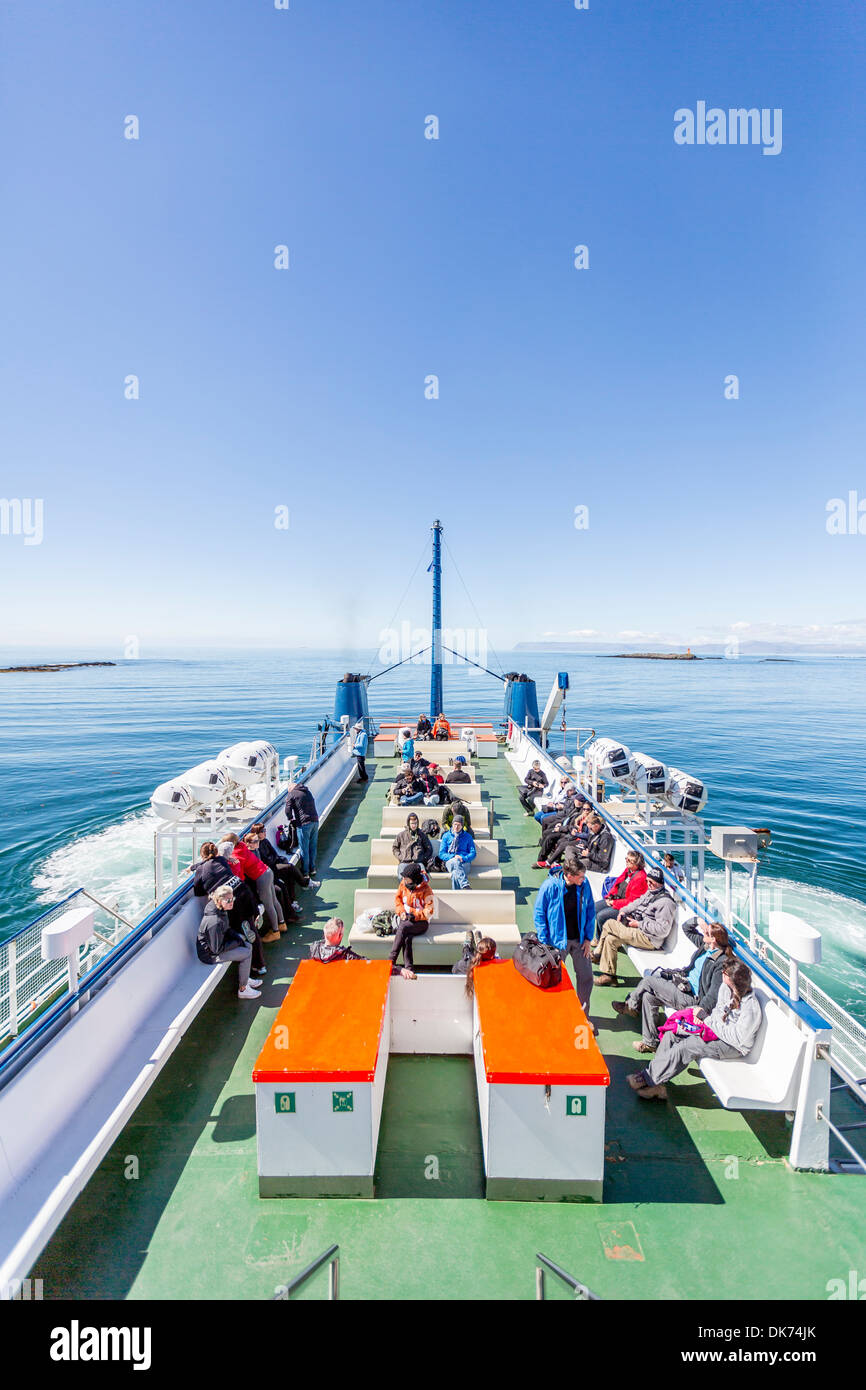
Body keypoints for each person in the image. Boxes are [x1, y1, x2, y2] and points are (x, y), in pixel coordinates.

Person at [628, 961, 762, 1101]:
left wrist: (708, 1021)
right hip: (714, 1030)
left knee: (686, 1047)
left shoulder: (750, 1007)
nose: (722, 974)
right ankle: (657, 1082)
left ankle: (648, 1078)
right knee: (672, 1034)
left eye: (725, 973)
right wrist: (708, 1022)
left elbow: (737, 1038)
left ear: (732, 979)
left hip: (733, 1046)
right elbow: (717, 1012)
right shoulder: (725, 988)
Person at [614, 919, 734, 1051]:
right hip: (682, 984)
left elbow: (713, 994)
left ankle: (630, 1006)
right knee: (649, 997)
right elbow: (686, 928)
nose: (703, 932)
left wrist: (701, 1009)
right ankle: (650, 1043)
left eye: (707, 932)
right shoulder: (705, 947)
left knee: (649, 981)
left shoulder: (720, 962)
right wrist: (697, 920)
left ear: (713, 940)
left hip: (691, 997)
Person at [593, 865, 678, 985]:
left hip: (649, 938)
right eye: (647, 881)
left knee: (610, 924)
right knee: (610, 939)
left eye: (652, 882)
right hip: (639, 930)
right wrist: (623, 911)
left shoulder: (666, 903)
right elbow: (637, 903)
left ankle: (597, 953)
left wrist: (638, 924)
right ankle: (609, 976)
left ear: (659, 883)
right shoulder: (651, 892)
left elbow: (663, 930)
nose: (649, 884)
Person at [533, 852, 596, 1014]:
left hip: (580, 940)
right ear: (569, 875)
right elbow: (540, 914)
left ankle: (582, 1014)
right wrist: (544, 941)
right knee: (554, 978)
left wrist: (588, 938)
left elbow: (590, 910)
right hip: (556, 942)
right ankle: (554, 1012)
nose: (584, 878)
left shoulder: (584, 885)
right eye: (581, 876)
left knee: (586, 977)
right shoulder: (550, 886)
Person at [196, 884, 261, 1000]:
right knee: (246, 953)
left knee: (248, 946)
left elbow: (226, 929)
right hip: (210, 955)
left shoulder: (220, 909)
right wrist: (237, 941)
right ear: (220, 900)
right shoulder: (214, 921)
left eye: (233, 899)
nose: (232, 902)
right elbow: (216, 949)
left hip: (218, 945)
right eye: (229, 900)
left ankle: (245, 979)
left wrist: (238, 937)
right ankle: (243, 989)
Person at [221, 832, 285, 942]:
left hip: (261, 876)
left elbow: (240, 875)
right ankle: (282, 924)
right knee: (274, 900)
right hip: (267, 871)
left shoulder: (236, 855)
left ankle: (275, 932)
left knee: (268, 904)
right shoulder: (242, 845)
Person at [249, 822, 309, 923]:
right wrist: (275, 860)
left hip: (274, 867)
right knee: (288, 869)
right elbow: (266, 861)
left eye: (265, 830)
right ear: (257, 833)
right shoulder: (257, 848)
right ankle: (304, 883)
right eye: (262, 831)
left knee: (289, 874)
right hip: (271, 870)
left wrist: (279, 859)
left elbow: (274, 855)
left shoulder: (265, 841)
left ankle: (292, 903)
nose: (265, 832)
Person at [391, 864, 434, 978]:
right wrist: (401, 912)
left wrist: (414, 915)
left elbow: (429, 912)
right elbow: (398, 900)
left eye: (407, 878)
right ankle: (409, 968)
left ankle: (391, 960)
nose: (404, 880)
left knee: (403, 927)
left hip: (421, 922)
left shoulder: (427, 890)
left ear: (414, 878)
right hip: (406, 919)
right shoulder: (403, 884)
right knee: (407, 937)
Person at [593, 850, 647, 934]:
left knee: (601, 916)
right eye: (626, 859)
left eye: (629, 860)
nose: (626, 861)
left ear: (636, 864)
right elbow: (616, 885)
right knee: (594, 908)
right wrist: (609, 897)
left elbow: (632, 902)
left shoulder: (640, 878)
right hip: (616, 899)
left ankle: (601, 939)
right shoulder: (628, 870)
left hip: (627, 909)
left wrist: (614, 903)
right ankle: (601, 935)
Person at [284, 780, 321, 886]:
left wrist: (291, 819)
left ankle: (305, 873)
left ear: (290, 789)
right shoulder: (307, 791)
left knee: (304, 848)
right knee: (313, 846)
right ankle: (312, 868)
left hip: (304, 824)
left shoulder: (292, 794)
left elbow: (287, 809)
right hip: (315, 821)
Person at [391, 812, 435, 877]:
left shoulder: (422, 835)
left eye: (415, 823)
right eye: (412, 823)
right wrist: (401, 857)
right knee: (402, 877)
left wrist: (423, 858)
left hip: (418, 863)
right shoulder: (401, 835)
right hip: (404, 862)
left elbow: (429, 849)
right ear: (408, 823)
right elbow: (395, 848)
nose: (414, 825)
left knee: (423, 877)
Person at [438, 814, 476, 889]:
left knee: (455, 874)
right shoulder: (446, 836)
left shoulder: (468, 837)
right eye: (455, 824)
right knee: (456, 861)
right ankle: (465, 885)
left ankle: (456, 896)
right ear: (452, 824)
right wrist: (454, 856)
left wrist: (463, 858)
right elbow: (441, 854)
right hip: (450, 861)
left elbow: (473, 853)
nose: (456, 827)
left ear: (462, 826)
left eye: (458, 825)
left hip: (465, 863)